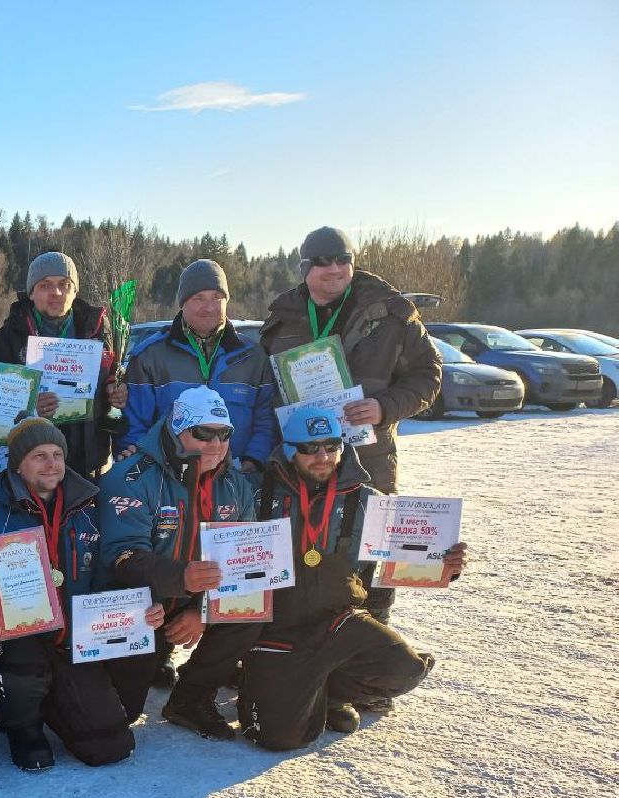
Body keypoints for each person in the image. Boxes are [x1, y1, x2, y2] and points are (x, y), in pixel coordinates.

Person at [260, 227, 442, 713]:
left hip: (367, 461)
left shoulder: (392, 313)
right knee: (304, 559)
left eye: (343, 259)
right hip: (300, 461)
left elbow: (429, 375)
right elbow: (267, 385)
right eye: (323, 262)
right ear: (305, 269)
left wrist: (385, 406)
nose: (335, 269)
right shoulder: (284, 316)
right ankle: (298, 665)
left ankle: (360, 674)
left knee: (369, 560)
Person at [232, 406, 464, 749]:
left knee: (406, 670)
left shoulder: (370, 501)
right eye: (309, 448)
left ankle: (330, 691)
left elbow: (392, 569)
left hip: (339, 622)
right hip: (276, 628)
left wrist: (444, 563)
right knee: (277, 737)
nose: (322, 456)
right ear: (289, 449)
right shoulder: (253, 492)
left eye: (331, 445)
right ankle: (280, 684)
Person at [0, 418, 163, 770]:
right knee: (23, 670)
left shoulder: (91, 508)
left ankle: (56, 701)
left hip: (74, 635)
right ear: (18, 464)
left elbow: (107, 575)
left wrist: (136, 610)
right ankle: (21, 726)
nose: (51, 463)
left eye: (57, 454)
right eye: (38, 455)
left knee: (109, 746)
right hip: (18, 638)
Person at [98, 387, 255, 737]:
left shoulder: (235, 485)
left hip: (193, 594)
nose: (215, 444)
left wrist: (202, 611)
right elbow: (120, 559)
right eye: (203, 433)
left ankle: (192, 698)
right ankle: (148, 658)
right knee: (125, 709)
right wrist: (182, 579)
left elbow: (244, 562)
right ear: (177, 430)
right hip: (142, 601)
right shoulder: (131, 477)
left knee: (249, 610)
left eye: (224, 434)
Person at [119, 259, 277, 475]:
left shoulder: (253, 356)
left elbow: (266, 418)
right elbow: (134, 424)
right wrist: (147, 470)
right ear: (182, 302)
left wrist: (254, 460)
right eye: (199, 298)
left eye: (217, 298)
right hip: (167, 482)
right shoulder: (150, 355)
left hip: (237, 482)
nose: (209, 306)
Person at [0, 252, 127, 479]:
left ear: (75, 291)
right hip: (34, 469)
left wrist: (115, 388)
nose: (56, 292)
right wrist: (31, 407)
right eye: (45, 285)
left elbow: (111, 374)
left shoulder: (98, 329)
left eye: (65, 284)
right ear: (31, 292)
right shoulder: (7, 338)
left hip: (90, 463)